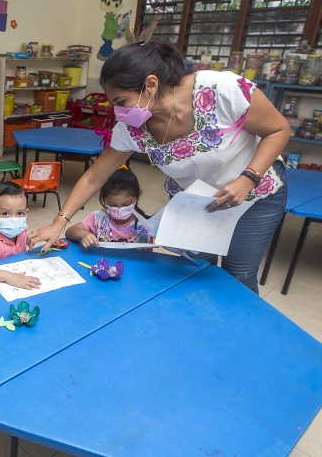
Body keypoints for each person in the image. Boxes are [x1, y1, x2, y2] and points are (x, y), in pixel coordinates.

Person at [30, 41, 290, 294]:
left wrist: (248, 178)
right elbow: (93, 178)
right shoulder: (133, 128)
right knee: (197, 268)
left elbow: (278, 129)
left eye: (121, 101)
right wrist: (58, 222)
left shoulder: (219, 89)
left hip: (255, 193)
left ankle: (239, 334)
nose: (117, 111)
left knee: (238, 275)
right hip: (198, 203)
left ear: (151, 84)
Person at [65, 165, 150, 247]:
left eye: (127, 204)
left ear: (138, 194)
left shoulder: (148, 222)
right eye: (112, 205)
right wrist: (83, 234)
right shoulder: (98, 218)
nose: (119, 210)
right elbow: (70, 231)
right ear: (104, 198)